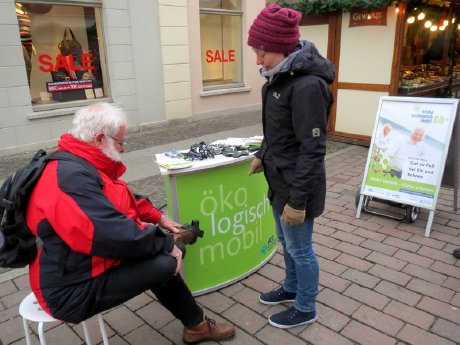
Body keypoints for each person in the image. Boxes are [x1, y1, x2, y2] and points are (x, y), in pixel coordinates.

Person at [26, 102, 234, 344]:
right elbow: (110, 234)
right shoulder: (68, 178)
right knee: (165, 261)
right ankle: (196, 325)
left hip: (83, 265)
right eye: (121, 142)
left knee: (161, 253)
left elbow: (120, 197)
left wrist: (160, 218)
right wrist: (166, 244)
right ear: (100, 138)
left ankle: (195, 325)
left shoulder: (77, 162)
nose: (123, 149)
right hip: (70, 290)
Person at [246, 4, 335, 329]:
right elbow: (278, 130)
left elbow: (313, 149)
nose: (257, 60)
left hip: (299, 187)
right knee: (287, 244)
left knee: (301, 249)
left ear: (282, 48)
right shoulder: (279, 77)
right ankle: (292, 287)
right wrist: (262, 153)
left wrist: (298, 202)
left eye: (261, 52)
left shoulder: (307, 86)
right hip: (279, 179)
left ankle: (305, 305)